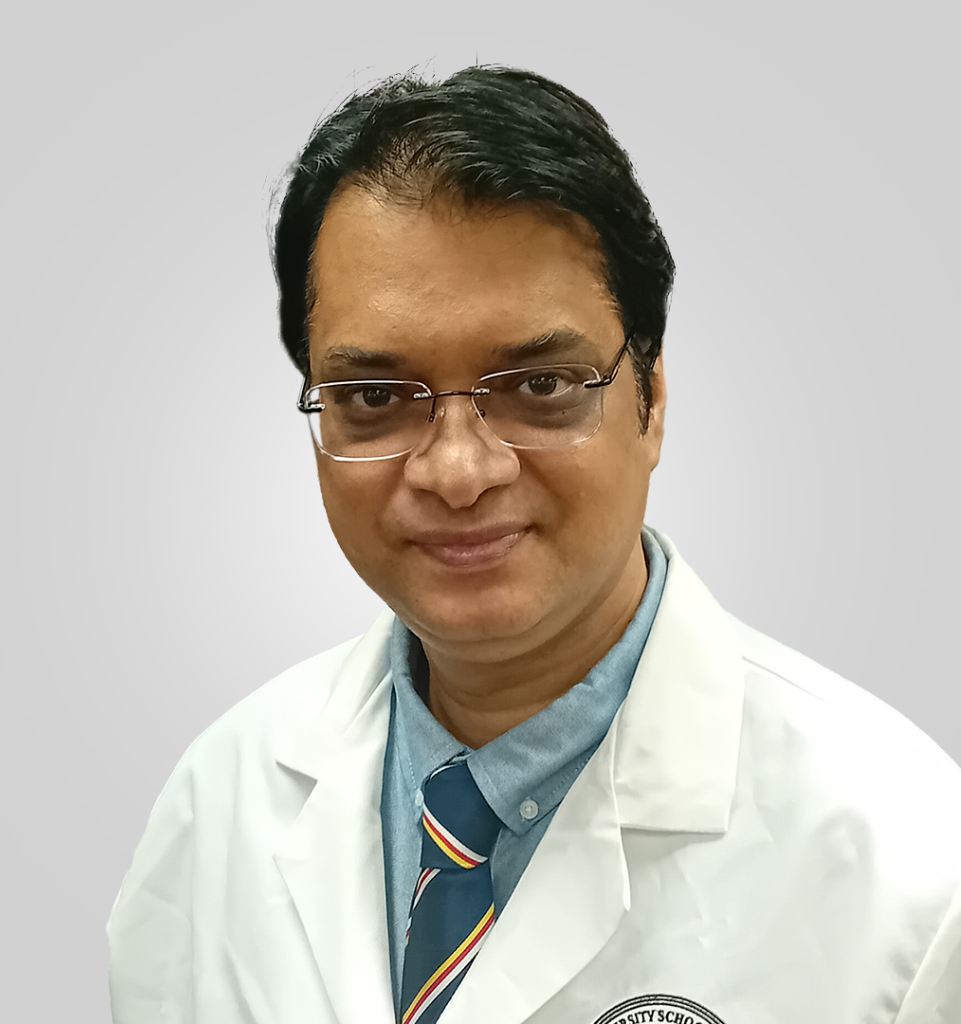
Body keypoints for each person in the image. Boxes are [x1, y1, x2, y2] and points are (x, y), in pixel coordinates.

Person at [107, 66, 961, 1024]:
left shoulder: (913, 868)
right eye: (376, 397)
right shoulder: (218, 804)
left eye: (541, 386)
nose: (457, 471)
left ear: (652, 399)